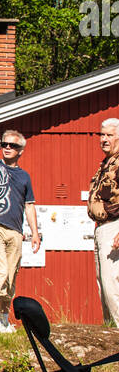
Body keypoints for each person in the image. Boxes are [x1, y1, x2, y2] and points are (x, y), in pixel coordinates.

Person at [0, 114, 41, 332]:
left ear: (21, 150)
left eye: (12, 146)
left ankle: (4, 319)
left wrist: (35, 233)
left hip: (16, 230)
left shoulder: (25, 177)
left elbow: (29, 206)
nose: (7, 148)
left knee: (11, 274)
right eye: (4, 144)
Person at [87, 118, 119, 326]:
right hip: (101, 228)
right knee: (102, 283)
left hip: (115, 226)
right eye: (102, 134)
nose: (104, 139)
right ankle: (109, 335)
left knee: (111, 282)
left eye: (109, 135)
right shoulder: (105, 163)